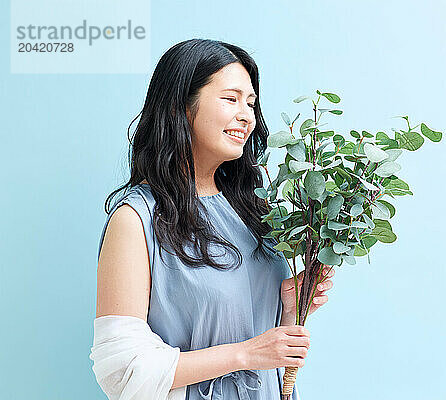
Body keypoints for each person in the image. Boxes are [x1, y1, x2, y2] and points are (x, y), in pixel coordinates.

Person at [93, 38, 334, 400]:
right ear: (181, 108)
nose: (247, 115)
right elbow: (121, 369)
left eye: (251, 103)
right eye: (231, 98)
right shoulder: (136, 219)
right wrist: (244, 353)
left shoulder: (254, 212)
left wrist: (289, 307)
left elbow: (270, 361)